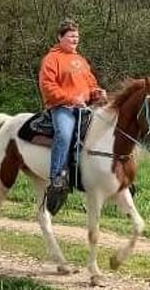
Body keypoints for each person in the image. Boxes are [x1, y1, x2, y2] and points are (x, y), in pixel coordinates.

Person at [38, 19, 107, 215]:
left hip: (84, 108)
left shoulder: (81, 61)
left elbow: (90, 83)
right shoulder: (51, 59)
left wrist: (96, 93)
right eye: (70, 36)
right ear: (60, 37)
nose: (75, 39)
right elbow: (48, 86)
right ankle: (57, 178)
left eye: (77, 36)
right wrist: (70, 98)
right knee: (65, 134)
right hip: (62, 108)